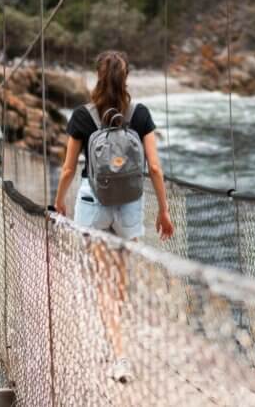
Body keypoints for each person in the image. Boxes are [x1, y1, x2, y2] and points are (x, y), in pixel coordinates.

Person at [53, 50, 174, 384]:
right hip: (130, 206)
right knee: (119, 281)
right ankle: (117, 333)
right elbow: (153, 167)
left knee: (102, 282)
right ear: (128, 77)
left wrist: (58, 201)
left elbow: (67, 169)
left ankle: (118, 352)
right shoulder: (140, 114)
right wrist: (163, 211)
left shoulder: (82, 116)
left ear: (97, 76)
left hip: (93, 204)